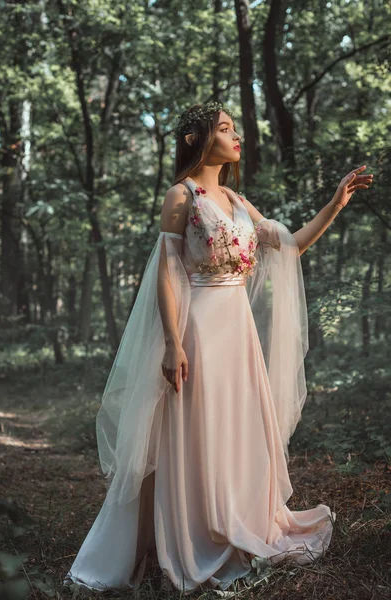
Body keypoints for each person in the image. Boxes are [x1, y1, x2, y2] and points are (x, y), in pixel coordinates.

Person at [63, 101, 373, 594]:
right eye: (225, 128)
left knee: (235, 427)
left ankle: (236, 521)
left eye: (234, 128)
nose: (236, 136)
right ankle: (190, 534)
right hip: (198, 330)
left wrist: (336, 203)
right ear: (196, 139)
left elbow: (290, 242)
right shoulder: (182, 196)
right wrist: (172, 343)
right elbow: (167, 272)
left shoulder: (234, 197)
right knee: (197, 429)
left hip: (239, 331)